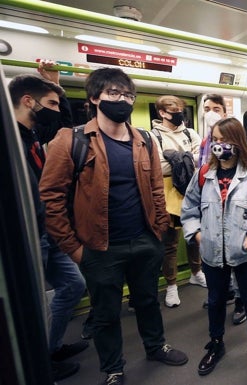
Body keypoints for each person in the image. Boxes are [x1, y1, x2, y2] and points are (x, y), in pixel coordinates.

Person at [39, 68, 188, 385]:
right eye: (114, 94)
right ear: (94, 98)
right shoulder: (72, 140)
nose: (123, 100)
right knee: (106, 313)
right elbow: (51, 197)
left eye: (128, 95)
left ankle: (155, 345)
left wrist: (159, 231)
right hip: (99, 246)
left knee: (147, 300)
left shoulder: (144, 140)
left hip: (144, 240)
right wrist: (74, 248)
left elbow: (155, 189)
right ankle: (113, 368)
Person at [181, 117, 247, 376]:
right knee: (215, 300)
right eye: (215, 139)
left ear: (237, 143)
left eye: (225, 140)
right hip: (212, 253)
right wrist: (198, 235)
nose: (219, 145)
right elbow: (189, 209)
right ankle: (216, 344)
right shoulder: (203, 176)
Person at [9, 62, 88, 382]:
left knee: (73, 285)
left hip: (48, 229)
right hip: (27, 232)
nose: (55, 109)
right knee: (30, 301)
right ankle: (35, 362)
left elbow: (64, 129)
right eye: (51, 103)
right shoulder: (10, 137)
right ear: (28, 101)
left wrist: (54, 85)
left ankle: (51, 347)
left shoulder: (32, 134)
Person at [150, 95, 206, 308]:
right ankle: (171, 285)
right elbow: (159, 166)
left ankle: (196, 272)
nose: (179, 114)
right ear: (162, 113)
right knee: (170, 242)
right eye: (174, 110)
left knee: (194, 236)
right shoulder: (153, 135)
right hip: (167, 193)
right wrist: (185, 160)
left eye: (180, 109)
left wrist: (174, 158)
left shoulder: (190, 133)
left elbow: (199, 160)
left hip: (191, 191)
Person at [199, 94, 245, 325]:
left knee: (236, 261)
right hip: (213, 205)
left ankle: (239, 300)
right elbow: (203, 169)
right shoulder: (205, 142)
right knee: (219, 260)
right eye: (206, 108)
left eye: (215, 108)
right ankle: (223, 293)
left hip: (233, 209)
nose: (210, 113)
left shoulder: (232, 137)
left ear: (224, 112)